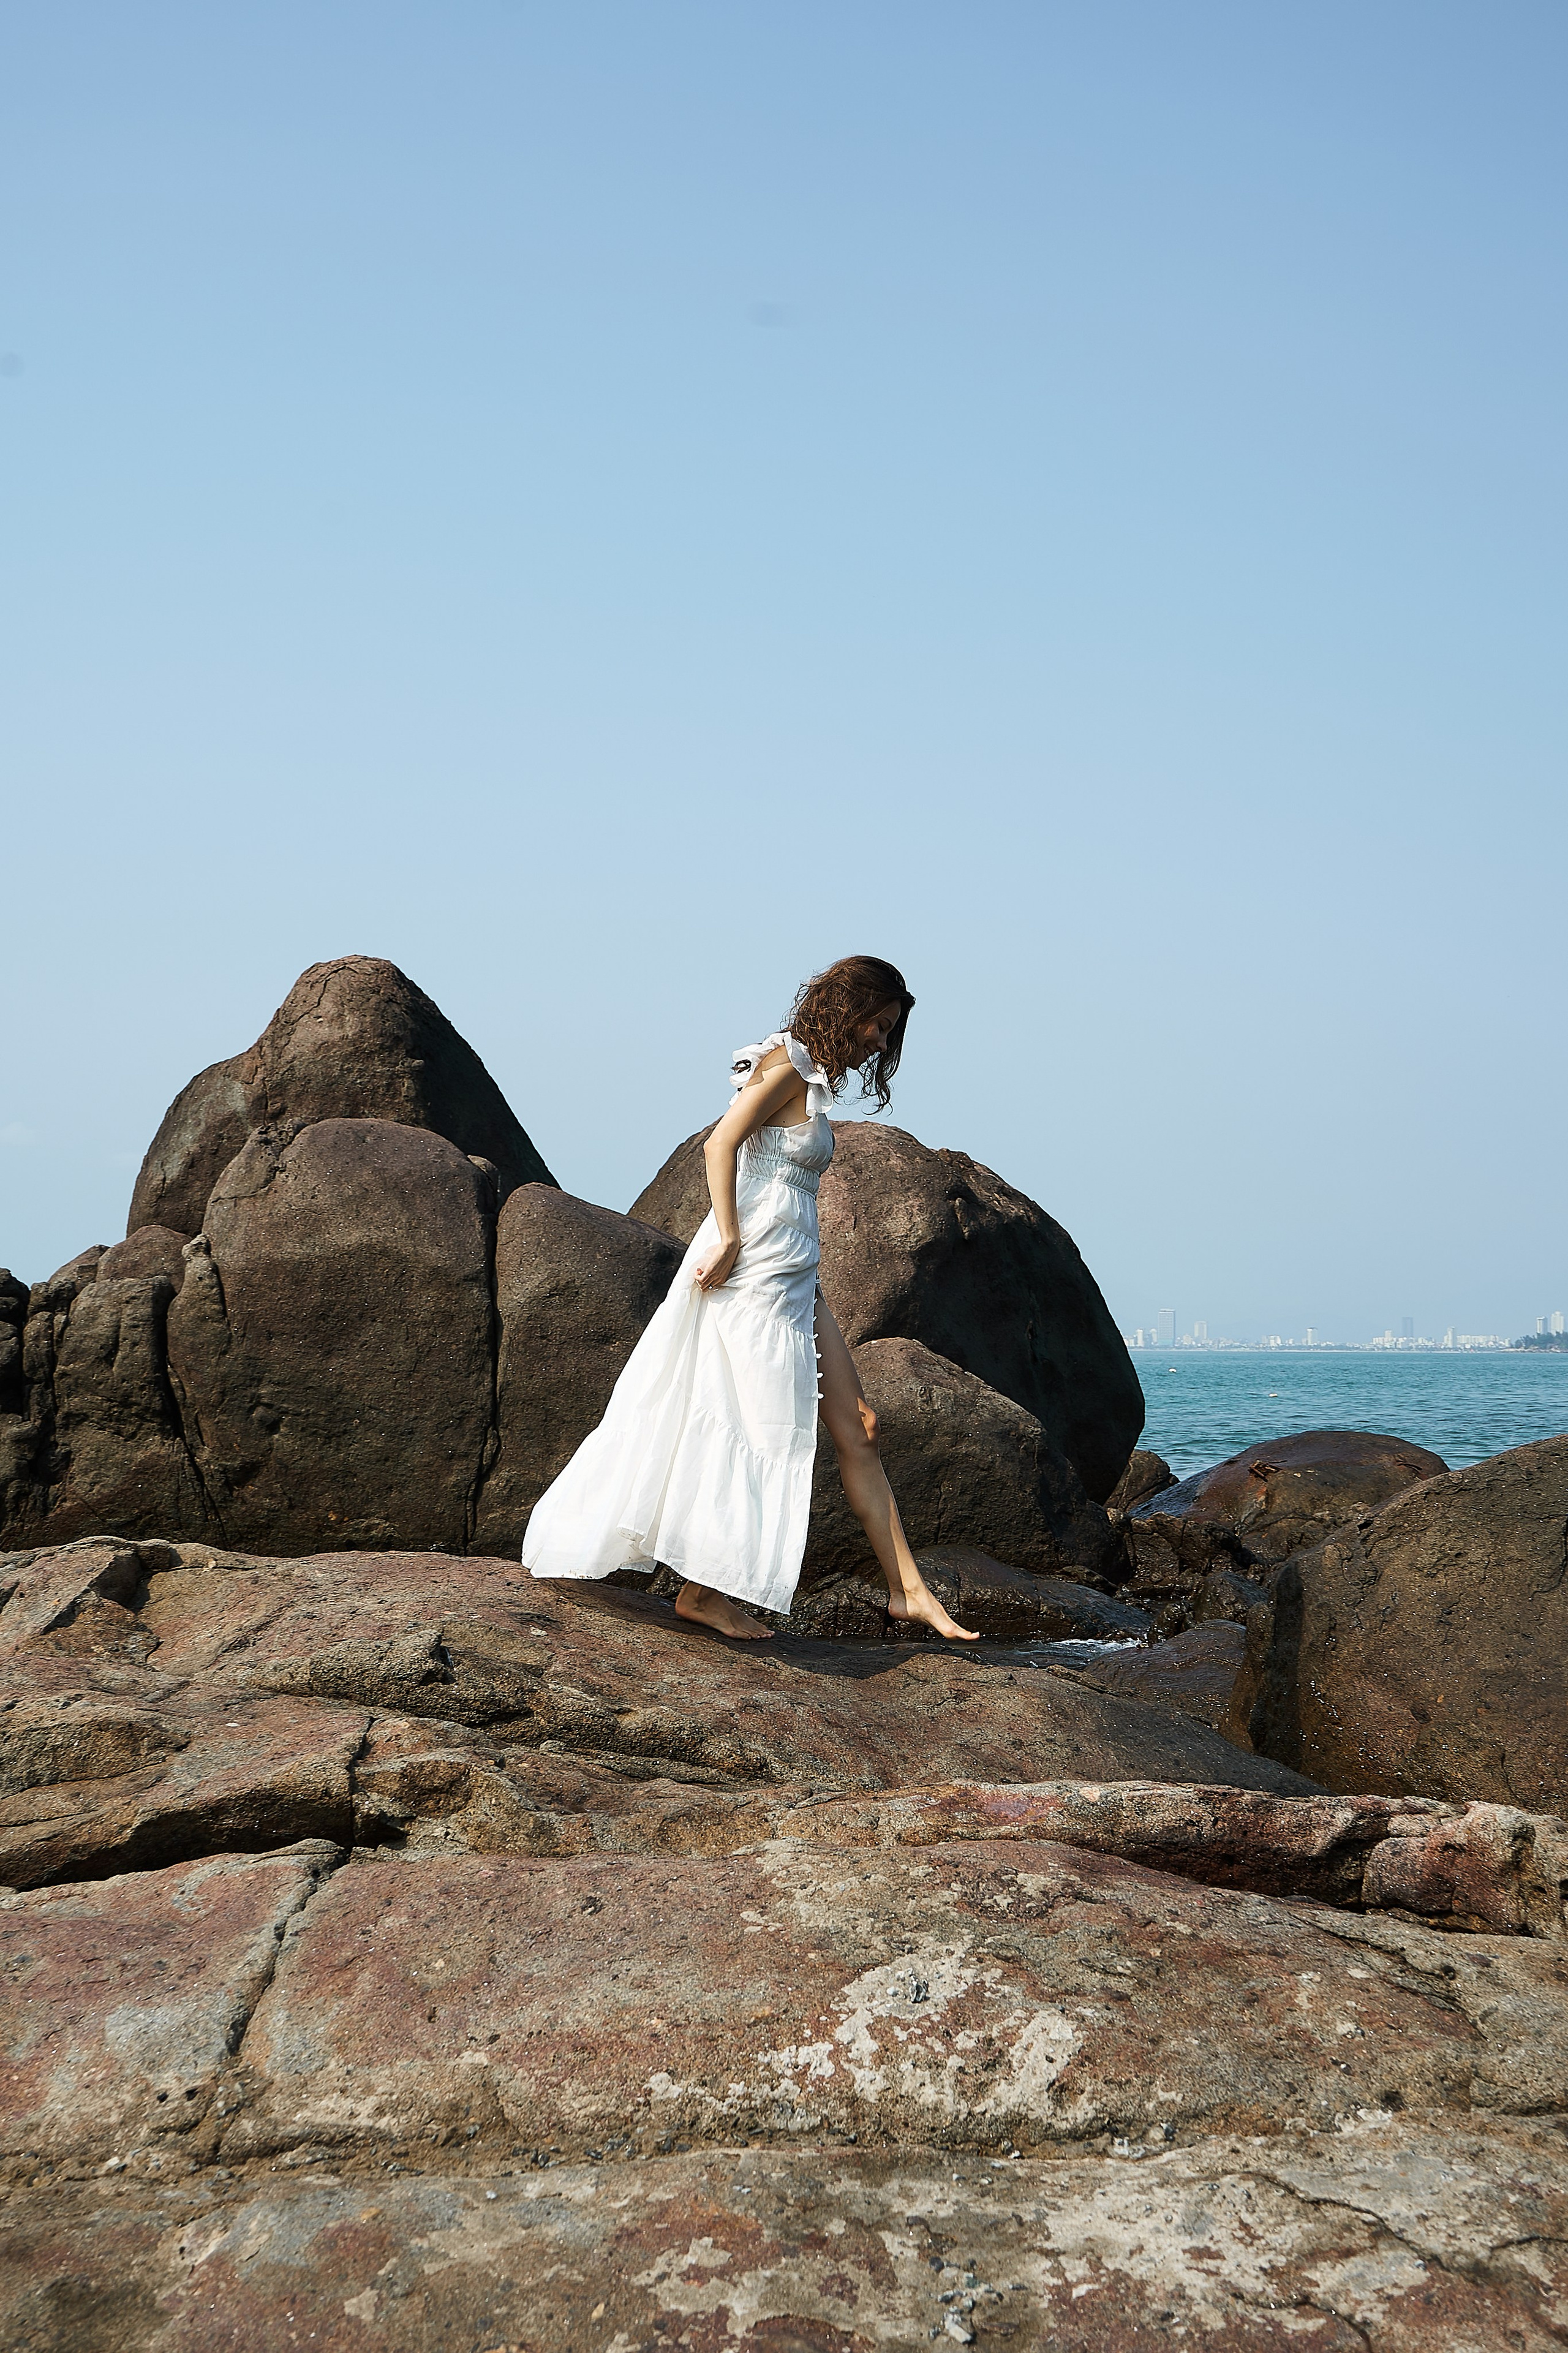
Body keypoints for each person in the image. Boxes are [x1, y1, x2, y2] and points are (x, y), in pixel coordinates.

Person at [523, 954, 978, 1642]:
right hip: (757, 1271)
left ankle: (906, 1591)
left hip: (796, 1273)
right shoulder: (787, 1063)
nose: (880, 1042)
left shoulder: (808, 1076)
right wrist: (729, 1238)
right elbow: (720, 1143)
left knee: (859, 1424)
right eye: (878, 1025)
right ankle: (703, 1592)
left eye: (889, 1032)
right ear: (848, 1006)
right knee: (756, 1423)